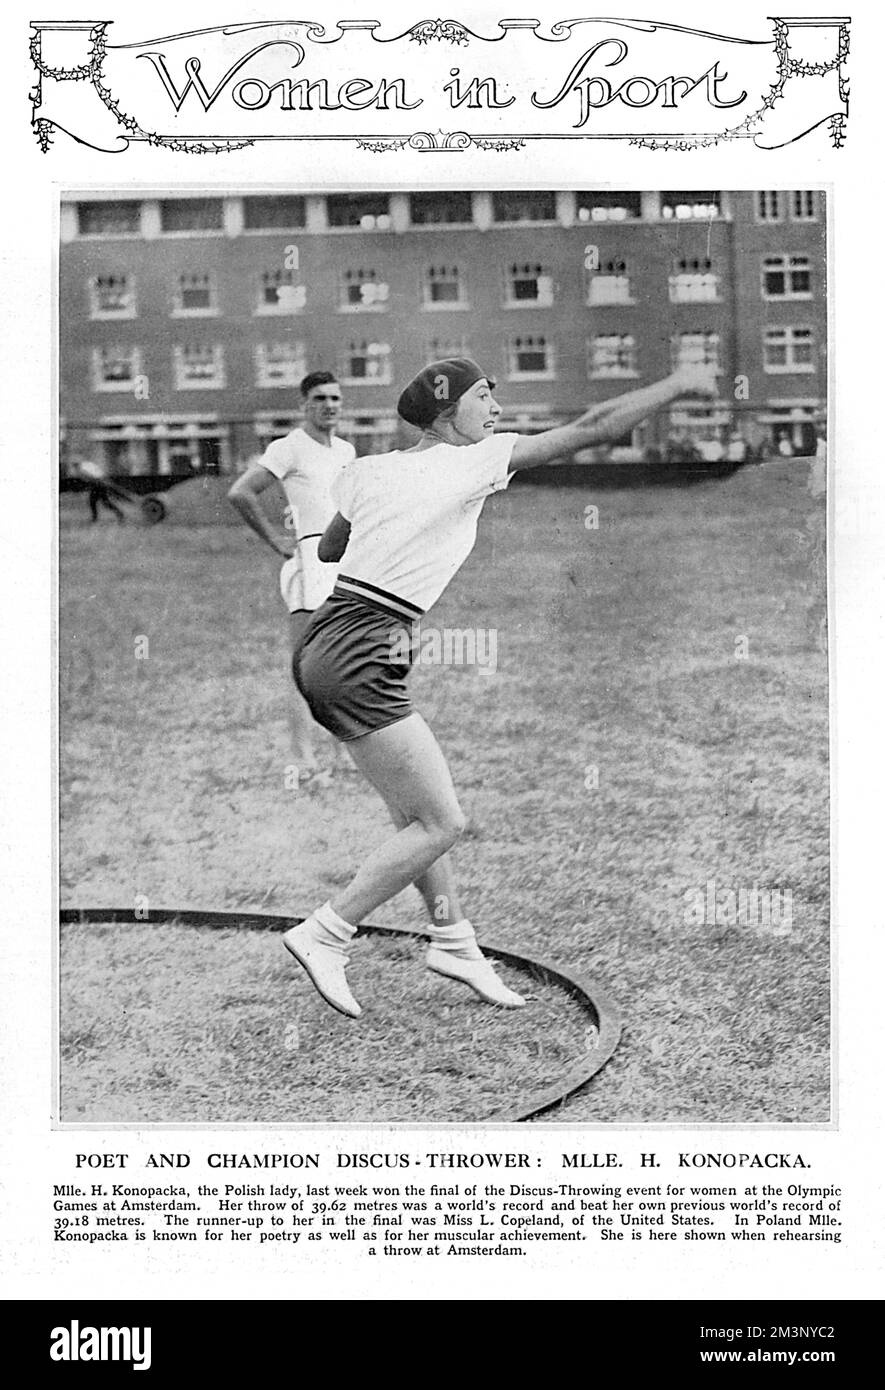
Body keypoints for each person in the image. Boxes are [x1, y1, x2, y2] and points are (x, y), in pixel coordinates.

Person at [282, 357, 718, 1018]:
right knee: (442, 822)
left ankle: (453, 941)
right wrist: (678, 381)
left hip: (327, 638)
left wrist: (398, 529)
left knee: (414, 811)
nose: (496, 410)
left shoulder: (368, 468)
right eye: (483, 396)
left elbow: (330, 551)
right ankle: (326, 932)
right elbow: (596, 426)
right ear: (443, 409)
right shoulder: (476, 460)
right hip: (365, 649)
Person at [228, 372, 356, 781]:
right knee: (305, 665)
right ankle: (301, 759)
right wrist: (277, 542)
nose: (329, 405)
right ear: (304, 405)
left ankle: (348, 754)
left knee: (345, 661)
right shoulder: (289, 448)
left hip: (344, 560)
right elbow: (241, 492)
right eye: (320, 398)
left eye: (335, 398)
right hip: (308, 561)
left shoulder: (347, 450)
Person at [75, 456, 126, 524]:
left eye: (74, 464)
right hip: (100, 484)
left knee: (95, 502)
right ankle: (119, 514)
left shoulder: (82, 468)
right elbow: (96, 474)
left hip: (98, 484)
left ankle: (95, 518)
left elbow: (91, 477)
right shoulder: (87, 465)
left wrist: (92, 482)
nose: (74, 466)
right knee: (103, 502)